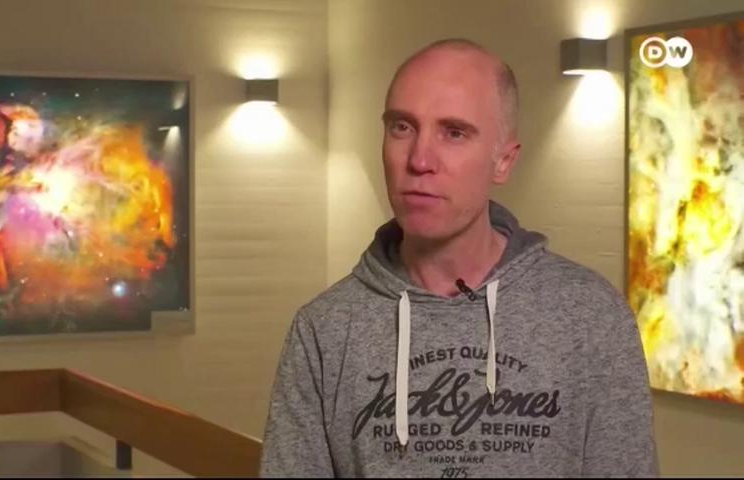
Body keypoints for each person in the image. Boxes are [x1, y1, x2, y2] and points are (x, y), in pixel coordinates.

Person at [260, 38, 658, 478]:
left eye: (454, 132)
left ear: (503, 161)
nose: (420, 160)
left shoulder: (590, 317)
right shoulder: (324, 330)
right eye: (402, 127)